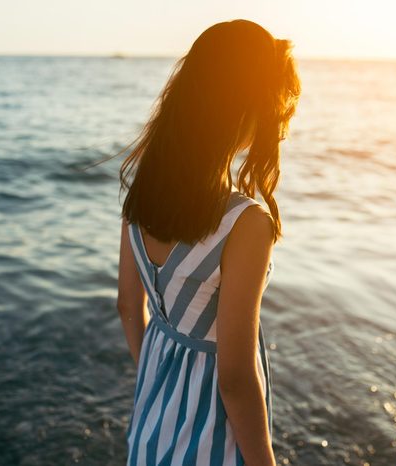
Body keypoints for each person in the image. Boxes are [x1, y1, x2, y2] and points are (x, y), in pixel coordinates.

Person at [116, 19, 300, 466]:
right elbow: (235, 376)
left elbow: (127, 305)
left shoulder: (142, 191)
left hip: (151, 426)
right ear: (248, 106)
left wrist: (155, 380)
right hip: (210, 444)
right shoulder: (245, 224)